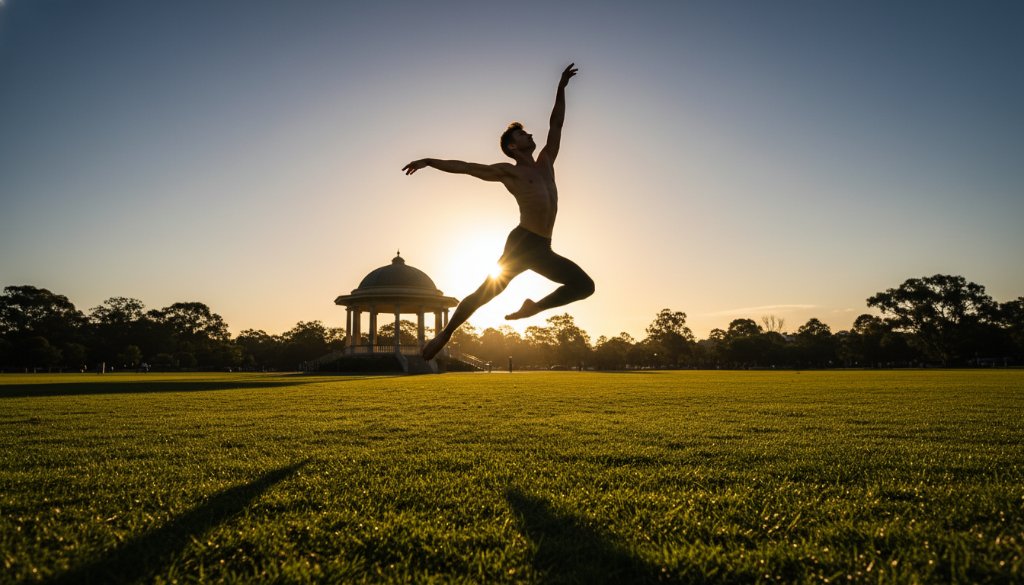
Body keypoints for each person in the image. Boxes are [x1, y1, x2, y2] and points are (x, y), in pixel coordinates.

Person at [403, 63, 595, 361]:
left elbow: (556, 124)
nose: (530, 135)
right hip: (523, 242)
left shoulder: (546, 161)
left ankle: (534, 307)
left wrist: (561, 87)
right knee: (488, 291)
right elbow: (467, 168)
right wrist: (429, 160)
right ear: (512, 146)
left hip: (543, 248)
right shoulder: (509, 172)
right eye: (522, 134)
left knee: (585, 286)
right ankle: (447, 332)